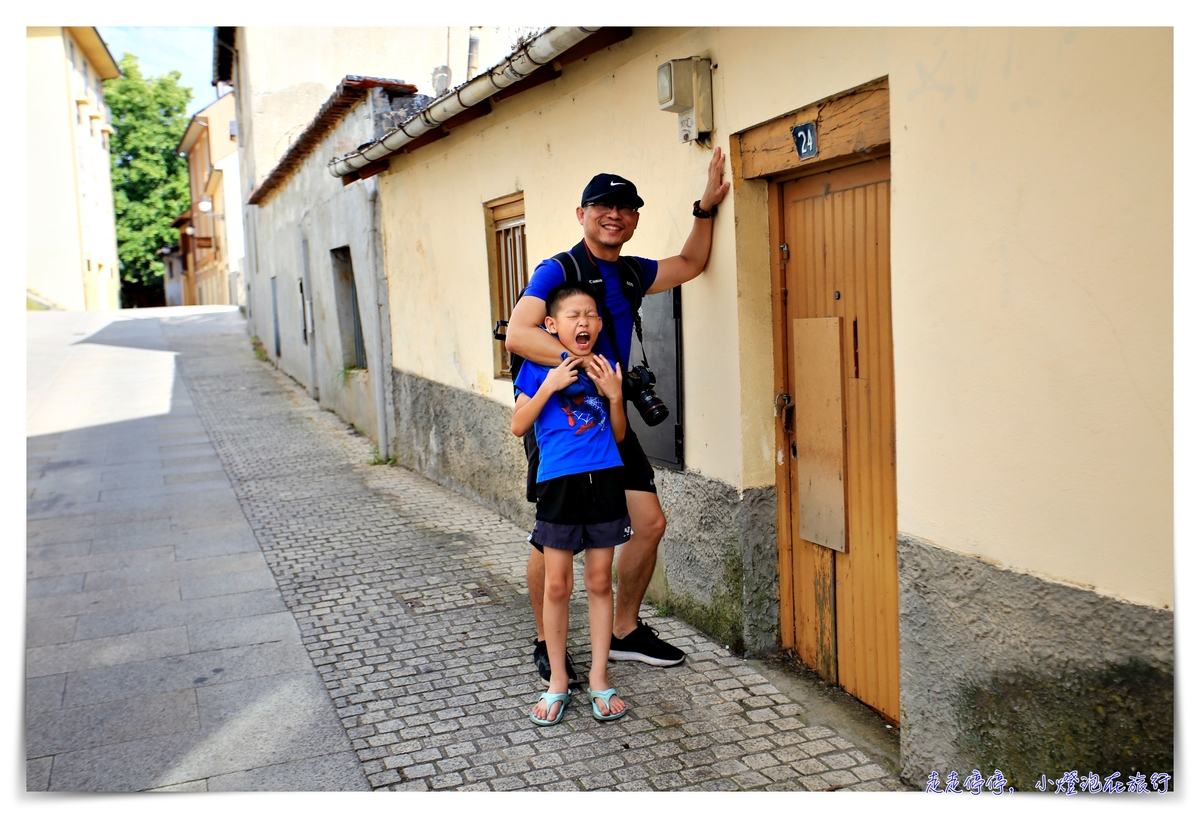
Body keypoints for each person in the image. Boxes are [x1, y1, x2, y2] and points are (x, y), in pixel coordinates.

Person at [506, 149, 730, 684]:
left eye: (627, 208)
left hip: (609, 414)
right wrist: (580, 365)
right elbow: (518, 332)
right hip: (558, 414)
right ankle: (545, 639)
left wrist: (706, 208)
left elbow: (691, 265)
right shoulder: (559, 270)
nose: (615, 214)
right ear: (581, 214)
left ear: (634, 220)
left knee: (649, 523)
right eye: (603, 205)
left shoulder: (629, 273)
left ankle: (624, 631)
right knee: (551, 537)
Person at [512, 282, 630, 725]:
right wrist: (551, 384)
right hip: (558, 485)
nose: (583, 323)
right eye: (573, 315)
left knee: (600, 581)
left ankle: (599, 678)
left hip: (605, 481)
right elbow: (519, 425)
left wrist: (615, 396)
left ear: (599, 324)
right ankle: (558, 680)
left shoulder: (605, 365)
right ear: (551, 324)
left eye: (591, 315)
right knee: (557, 585)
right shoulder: (536, 366)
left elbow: (617, 434)